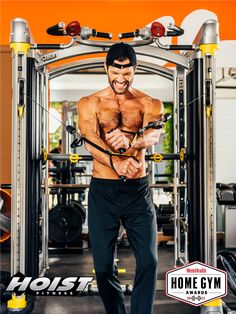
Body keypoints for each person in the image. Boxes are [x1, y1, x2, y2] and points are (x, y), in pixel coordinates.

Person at [78, 42, 163, 314]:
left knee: (149, 261)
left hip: (137, 191)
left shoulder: (149, 103)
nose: (121, 79)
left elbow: (153, 135)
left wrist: (129, 140)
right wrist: (116, 160)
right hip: (103, 190)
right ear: (106, 68)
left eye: (127, 73)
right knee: (102, 267)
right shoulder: (89, 102)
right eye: (116, 72)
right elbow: (91, 141)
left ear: (135, 70)